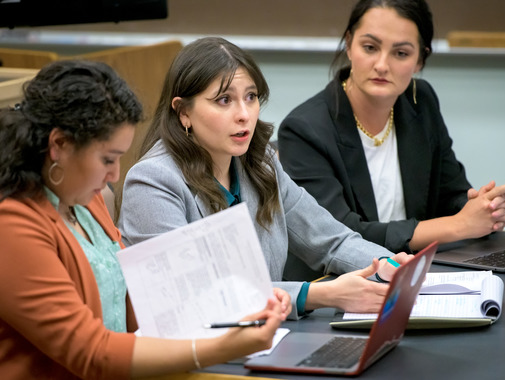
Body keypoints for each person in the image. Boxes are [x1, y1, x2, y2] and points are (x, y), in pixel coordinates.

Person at [0, 59, 285, 379]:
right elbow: (91, 353)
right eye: (107, 159)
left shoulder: (83, 197)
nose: (114, 174)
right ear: (59, 145)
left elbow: (136, 306)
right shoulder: (12, 224)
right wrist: (225, 346)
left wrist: (234, 305)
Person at [118, 36, 415, 321]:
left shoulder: (262, 163)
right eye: (224, 100)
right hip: (198, 354)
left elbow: (331, 241)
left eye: (251, 97)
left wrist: (395, 266)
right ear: (183, 112)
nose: (244, 114)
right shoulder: (153, 182)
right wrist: (318, 295)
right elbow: (198, 294)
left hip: (268, 336)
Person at [277, 0, 505, 273]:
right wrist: (459, 225)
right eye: (370, 48)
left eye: (401, 53)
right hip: (340, 283)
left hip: (416, 273)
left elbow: (449, 193)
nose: (381, 65)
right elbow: (341, 237)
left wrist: (481, 209)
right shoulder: (304, 129)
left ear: (420, 60)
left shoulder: (420, 101)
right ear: (349, 44)